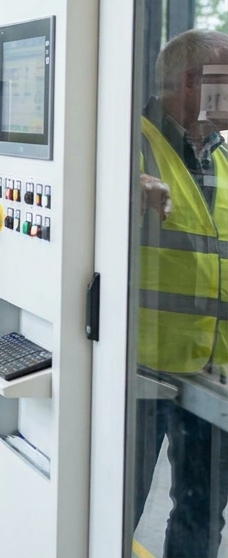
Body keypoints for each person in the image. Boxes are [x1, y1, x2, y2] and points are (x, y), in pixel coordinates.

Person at [131, 29, 228, 557]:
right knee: (114, 506)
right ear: (194, 82)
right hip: (139, 374)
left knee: (200, 514)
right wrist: (127, 188)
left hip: (210, 377)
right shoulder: (127, 146)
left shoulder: (223, 159)